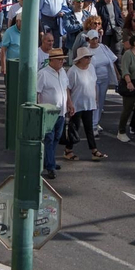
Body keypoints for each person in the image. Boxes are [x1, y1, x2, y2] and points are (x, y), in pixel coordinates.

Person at [64, 49, 106, 161]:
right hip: (77, 103)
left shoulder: (91, 68)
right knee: (74, 127)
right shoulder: (73, 71)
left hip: (89, 103)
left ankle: (94, 149)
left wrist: (95, 98)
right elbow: (67, 88)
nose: (89, 59)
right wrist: (69, 103)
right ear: (80, 59)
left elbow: (94, 83)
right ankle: (68, 149)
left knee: (89, 127)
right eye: (86, 57)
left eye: (90, 57)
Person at [38, 47, 71, 180]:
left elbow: (66, 88)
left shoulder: (62, 72)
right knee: (49, 139)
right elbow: (37, 92)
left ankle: (49, 161)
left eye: (63, 59)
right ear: (51, 60)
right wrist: (39, 109)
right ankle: (50, 166)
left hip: (61, 112)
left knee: (56, 137)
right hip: (49, 113)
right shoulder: (43, 74)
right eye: (59, 60)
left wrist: (70, 103)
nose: (62, 62)